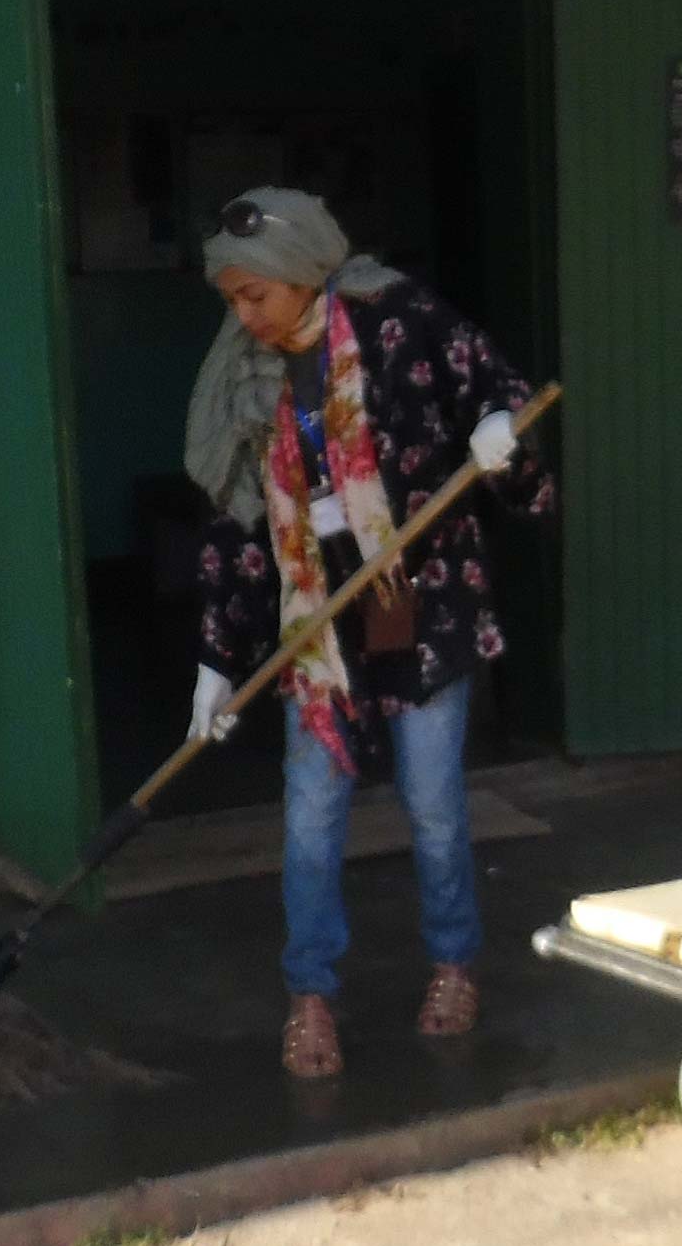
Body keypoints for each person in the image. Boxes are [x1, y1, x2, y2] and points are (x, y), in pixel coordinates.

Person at [181, 187, 550, 1080]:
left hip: (417, 596)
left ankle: (454, 966)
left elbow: (493, 386)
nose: (244, 315)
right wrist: (214, 663)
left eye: (254, 296)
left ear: (302, 273)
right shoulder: (246, 373)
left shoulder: (399, 319)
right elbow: (238, 520)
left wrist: (499, 431)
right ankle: (309, 991)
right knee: (310, 812)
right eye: (231, 299)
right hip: (317, 620)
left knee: (431, 802)